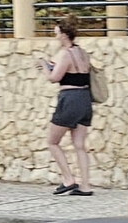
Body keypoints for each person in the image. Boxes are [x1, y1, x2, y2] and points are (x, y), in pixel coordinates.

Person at [41, 19, 96, 196]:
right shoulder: (82, 52)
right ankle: (85, 186)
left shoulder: (65, 54)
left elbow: (54, 78)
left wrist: (44, 66)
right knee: (79, 145)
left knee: (52, 141)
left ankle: (68, 179)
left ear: (64, 35)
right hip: (85, 99)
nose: (55, 36)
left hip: (70, 99)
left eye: (57, 33)